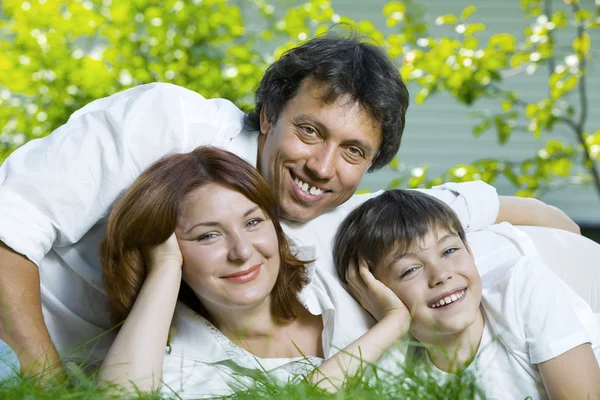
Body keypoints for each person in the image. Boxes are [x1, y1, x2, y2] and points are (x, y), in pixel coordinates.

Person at [0, 34, 578, 378]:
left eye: (353, 152)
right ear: (269, 115)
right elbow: (9, 228)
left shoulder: (342, 217)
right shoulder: (166, 121)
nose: (323, 167)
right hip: (19, 351)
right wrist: (47, 385)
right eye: (309, 131)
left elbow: (490, 208)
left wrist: (573, 244)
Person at [97, 147, 379, 398]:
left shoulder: (339, 271)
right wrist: (165, 265)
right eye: (208, 236)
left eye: (253, 222)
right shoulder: (178, 368)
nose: (242, 252)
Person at [331, 190, 600, 399]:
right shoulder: (395, 365)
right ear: (376, 292)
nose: (441, 275)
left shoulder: (522, 288)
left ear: (470, 254)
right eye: (410, 270)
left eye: (449, 251)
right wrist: (393, 321)